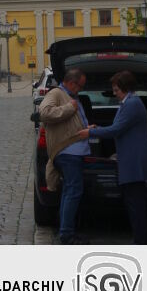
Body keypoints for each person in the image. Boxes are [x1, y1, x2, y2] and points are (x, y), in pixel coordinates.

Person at [78, 70, 147, 244]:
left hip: (134, 162)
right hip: (130, 161)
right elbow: (117, 126)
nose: (114, 93)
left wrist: (90, 132)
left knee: (136, 206)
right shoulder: (128, 103)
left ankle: (141, 243)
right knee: (133, 204)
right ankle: (139, 240)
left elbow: (116, 130)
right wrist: (98, 127)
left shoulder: (132, 104)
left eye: (116, 89)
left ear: (125, 88)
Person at [38, 68, 89, 244]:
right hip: (68, 152)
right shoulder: (57, 93)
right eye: (80, 86)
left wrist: (88, 129)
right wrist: (69, 108)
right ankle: (67, 234)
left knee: (70, 192)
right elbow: (44, 113)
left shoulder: (72, 97)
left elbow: (72, 124)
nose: (80, 90)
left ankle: (66, 230)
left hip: (74, 151)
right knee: (73, 192)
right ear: (71, 83)